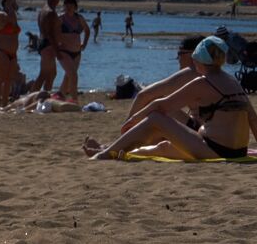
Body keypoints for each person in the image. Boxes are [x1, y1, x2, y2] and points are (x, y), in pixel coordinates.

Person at [85, 37, 256, 160]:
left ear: (199, 60)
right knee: (164, 147)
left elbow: (161, 106)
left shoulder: (202, 82)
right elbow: (253, 118)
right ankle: (115, 152)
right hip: (237, 151)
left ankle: (105, 154)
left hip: (216, 149)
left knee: (156, 119)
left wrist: (134, 120)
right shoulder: (233, 81)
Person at [119, 35, 204, 132]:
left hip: (202, 133)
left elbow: (143, 95)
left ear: (193, 54)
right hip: (207, 129)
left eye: (180, 53)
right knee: (158, 104)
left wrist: (128, 123)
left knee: (151, 100)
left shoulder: (191, 72)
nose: (178, 58)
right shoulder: (210, 71)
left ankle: (125, 134)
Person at [56, 0, 91, 100]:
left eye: (71, 5)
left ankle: (60, 95)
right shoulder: (60, 18)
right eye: (66, 5)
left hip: (77, 52)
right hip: (64, 51)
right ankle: (74, 100)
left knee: (69, 75)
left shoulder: (79, 18)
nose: (68, 7)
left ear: (75, 6)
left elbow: (87, 31)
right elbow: (53, 33)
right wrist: (57, 45)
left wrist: (84, 44)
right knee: (73, 74)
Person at [0, 0, 22, 107]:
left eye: (13, 2)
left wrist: (13, 9)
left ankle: (4, 105)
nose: (12, 4)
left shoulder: (13, 15)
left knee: (9, 80)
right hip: (1, 50)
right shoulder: (0, 15)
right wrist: (10, 8)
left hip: (12, 53)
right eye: (10, 2)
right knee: (0, 78)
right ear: (4, 2)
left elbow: (14, 26)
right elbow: (10, 22)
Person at [33, 0, 62, 93]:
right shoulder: (50, 13)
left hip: (43, 43)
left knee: (52, 73)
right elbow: (50, 34)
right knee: (44, 74)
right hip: (48, 45)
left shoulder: (42, 10)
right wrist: (57, 51)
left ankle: (45, 94)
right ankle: (32, 97)